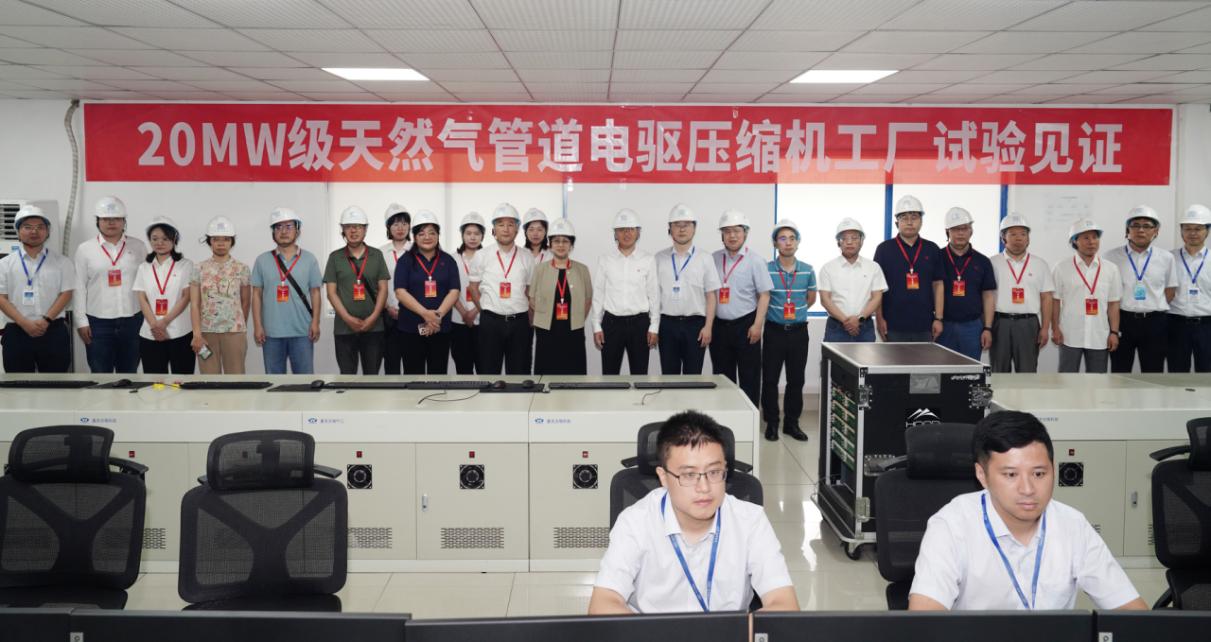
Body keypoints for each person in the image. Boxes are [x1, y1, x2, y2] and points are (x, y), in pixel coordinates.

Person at [908, 410, 1147, 611]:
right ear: (982, 475)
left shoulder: (1072, 525)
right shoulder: (951, 526)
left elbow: (1132, 613)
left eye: (1039, 474)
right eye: (1011, 475)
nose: (1028, 489)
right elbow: (924, 623)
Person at [588, 410, 799, 614]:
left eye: (714, 472)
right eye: (689, 475)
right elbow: (603, 604)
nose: (704, 487)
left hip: (729, 632)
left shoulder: (750, 520)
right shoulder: (635, 522)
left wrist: (736, 631)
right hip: (651, 632)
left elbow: (784, 604)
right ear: (663, 477)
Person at [73, 196, 146, 373]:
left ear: (124, 221)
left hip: (132, 320)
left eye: (116, 218)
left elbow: (146, 283)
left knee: (129, 374)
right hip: (98, 323)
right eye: (106, 219)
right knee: (100, 375)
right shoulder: (85, 249)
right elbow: (79, 287)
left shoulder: (138, 246)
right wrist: (81, 321)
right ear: (98, 221)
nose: (111, 223)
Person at [0, 205, 75, 373]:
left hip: (53, 331)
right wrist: (24, 322)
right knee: (18, 384)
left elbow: (66, 293)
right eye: (27, 227)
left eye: (40, 227)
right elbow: (1, 298)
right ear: (18, 232)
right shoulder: (4, 264)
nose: (34, 231)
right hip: (17, 332)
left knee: (55, 383)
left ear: (47, 232)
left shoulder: (63, 262)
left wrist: (46, 320)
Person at [710, 209, 773, 408]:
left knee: (750, 377)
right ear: (722, 235)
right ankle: (725, 417)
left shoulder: (756, 261)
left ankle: (750, 417)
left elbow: (765, 295)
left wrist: (757, 325)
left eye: (737, 231)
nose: (732, 236)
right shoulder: (713, 259)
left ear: (745, 233)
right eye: (727, 231)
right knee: (722, 378)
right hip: (719, 328)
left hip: (746, 326)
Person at [1105, 205, 1178, 373]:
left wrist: (1151, 305)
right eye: (1135, 225)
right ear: (1127, 230)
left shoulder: (1166, 258)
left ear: (1156, 231)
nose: (1141, 230)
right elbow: (1107, 294)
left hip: (1155, 323)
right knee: (1120, 372)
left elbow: (1170, 291)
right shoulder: (1111, 257)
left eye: (1147, 226)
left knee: (1153, 373)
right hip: (1123, 321)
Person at [761, 219, 816, 442]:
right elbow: (762, 298)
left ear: (798, 242)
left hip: (798, 333)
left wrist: (794, 314)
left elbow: (810, 298)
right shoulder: (766, 269)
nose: (788, 242)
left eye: (792, 238)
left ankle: (792, 424)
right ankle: (772, 423)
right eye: (782, 238)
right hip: (774, 331)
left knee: (796, 380)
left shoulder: (808, 270)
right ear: (775, 243)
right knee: (770, 379)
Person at [250, 207, 323, 374]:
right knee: (274, 382)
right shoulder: (262, 260)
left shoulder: (309, 259)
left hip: (302, 332)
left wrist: (315, 322)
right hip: (271, 333)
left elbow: (315, 293)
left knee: (305, 381)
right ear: (273, 232)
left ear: (297, 230)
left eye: (289, 226)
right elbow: (256, 294)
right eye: (278, 227)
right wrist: (258, 326)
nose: (283, 231)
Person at [591, 209, 660, 376]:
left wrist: (654, 326)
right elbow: (598, 294)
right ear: (615, 233)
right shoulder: (605, 259)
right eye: (621, 229)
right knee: (609, 376)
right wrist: (596, 325)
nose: (626, 233)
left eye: (631, 229)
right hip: (612, 324)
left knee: (640, 375)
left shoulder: (648, 259)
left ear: (638, 232)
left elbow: (654, 295)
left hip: (640, 324)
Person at [469, 203, 535, 375]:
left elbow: (529, 290)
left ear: (517, 229)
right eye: (501, 224)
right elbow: (473, 288)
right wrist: (484, 310)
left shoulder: (527, 257)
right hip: (490, 322)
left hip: (519, 322)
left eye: (510, 224)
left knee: (520, 373)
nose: (506, 229)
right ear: (493, 230)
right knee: (488, 372)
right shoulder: (481, 255)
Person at [324, 206, 389, 375]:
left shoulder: (376, 255)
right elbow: (331, 293)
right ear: (343, 230)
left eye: (358, 226)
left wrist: (373, 318)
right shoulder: (335, 257)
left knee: (372, 376)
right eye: (348, 226)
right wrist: (348, 318)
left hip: (374, 328)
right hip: (344, 328)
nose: (353, 231)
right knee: (347, 377)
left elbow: (383, 289)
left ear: (365, 229)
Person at [1051, 218, 1122, 373]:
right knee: (1066, 380)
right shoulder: (1061, 267)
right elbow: (1055, 301)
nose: (1092, 242)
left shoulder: (1111, 269)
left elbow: (1113, 304)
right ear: (1074, 241)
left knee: (1097, 382)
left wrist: (1114, 332)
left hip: (1099, 335)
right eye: (1086, 238)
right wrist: (1055, 328)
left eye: (1095, 237)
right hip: (1069, 335)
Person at [655, 204, 719, 375]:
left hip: (695, 326)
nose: (682, 229)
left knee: (693, 376)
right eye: (677, 225)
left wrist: (708, 327)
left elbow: (711, 296)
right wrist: (654, 327)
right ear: (669, 229)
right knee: (669, 376)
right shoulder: (659, 258)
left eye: (687, 225)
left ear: (694, 228)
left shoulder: (705, 258)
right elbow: (653, 296)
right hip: (667, 325)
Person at [393, 210, 459, 374]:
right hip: (410, 328)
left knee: (438, 375)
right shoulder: (405, 261)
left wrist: (437, 316)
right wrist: (426, 314)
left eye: (432, 233)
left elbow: (454, 291)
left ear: (438, 235)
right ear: (415, 237)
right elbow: (400, 292)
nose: (427, 237)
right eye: (421, 233)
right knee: (413, 375)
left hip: (440, 327)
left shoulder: (448, 260)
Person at [989, 213, 1053, 373]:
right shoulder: (992, 263)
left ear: (1028, 239)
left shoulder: (1040, 264)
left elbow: (1046, 298)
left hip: (1028, 324)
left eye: (1023, 234)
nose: (1018, 238)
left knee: (1027, 372)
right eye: (1013, 234)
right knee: (998, 371)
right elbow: (987, 297)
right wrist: (987, 327)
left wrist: (1045, 328)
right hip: (1000, 324)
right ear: (1003, 238)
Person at [874, 195, 943, 342]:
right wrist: (879, 318)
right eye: (904, 218)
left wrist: (938, 318)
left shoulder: (932, 249)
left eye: (914, 217)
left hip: (925, 324)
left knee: (925, 358)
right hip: (892, 325)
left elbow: (938, 285)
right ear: (896, 223)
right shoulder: (884, 249)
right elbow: (877, 288)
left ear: (921, 222)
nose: (910, 222)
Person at [132, 217, 194, 374]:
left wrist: (164, 322)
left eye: (165, 239)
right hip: (150, 333)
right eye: (155, 239)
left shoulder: (185, 265)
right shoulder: (144, 267)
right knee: (156, 383)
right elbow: (142, 298)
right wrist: (155, 325)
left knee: (182, 382)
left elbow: (186, 296)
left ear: (174, 240)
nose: (159, 243)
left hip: (180, 332)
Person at [189, 216, 250, 374]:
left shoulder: (242, 268)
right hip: (206, 333)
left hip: (234, 332)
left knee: (236, 378)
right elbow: (194, 304)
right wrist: (197, 334)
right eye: (216, 239)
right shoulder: (198, 268)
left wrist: (239, 327)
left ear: (232, 241)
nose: (221, 243)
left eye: (226, 239)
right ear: (209, 241)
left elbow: (246, 301)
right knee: (209, 380)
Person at [530, 217, 592, 375]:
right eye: (556, 241)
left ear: (571, 245)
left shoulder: (582, 270)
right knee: (546, 375)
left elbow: (588, 299)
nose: (561, 245)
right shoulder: (540, 269)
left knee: (574, 374)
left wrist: (578, 317)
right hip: (546, 331)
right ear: (550, 244)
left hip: (573, 332)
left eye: (565, 241)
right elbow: (532, 298)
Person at [935, 207, 996, 361]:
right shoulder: (937, 258)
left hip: (972, 327)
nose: (960, 233)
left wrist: (987, 328)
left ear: (971, 231)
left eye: (965, 228)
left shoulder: (983, 261)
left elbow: (988, 296)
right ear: (947, 232)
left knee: (970, 370)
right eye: (956, 229)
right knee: (942, 369)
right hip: (943, 326)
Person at [818, 218, 886, 343]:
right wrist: (846, 321)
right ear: (838, 243)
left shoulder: (873, 267)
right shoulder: (828, 268)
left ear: (862, 241)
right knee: (834, 357)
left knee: (866, 357)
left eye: (854, 238)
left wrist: (859, 319)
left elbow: (877, 297)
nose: (849, 242)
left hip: (865, 327)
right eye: (844, 238)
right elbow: (825, 299)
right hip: (836, 328)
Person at [1168, 204, 1211, 372]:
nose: (1192, 233)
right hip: (1176, 324)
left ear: (1207, 231)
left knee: (1207, 374)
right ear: (1181, 231)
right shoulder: (1169, 258)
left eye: (1198, 229)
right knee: (1177, 374)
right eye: (1187, 228)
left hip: (1207, 326)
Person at [450, 212, 484, 374]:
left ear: (482, 236)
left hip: (483, 320)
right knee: (463, 368)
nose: (472, 237)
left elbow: (491, 289)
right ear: (462, 235)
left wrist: (475, 310)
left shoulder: (489, 257)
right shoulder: (452, 259)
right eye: (468, 233)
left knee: (485, 367)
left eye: (477, 233)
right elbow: (449, 289)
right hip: (458, 319)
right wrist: (464, 313)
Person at [380, 203, 412, 375]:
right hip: (389, 315)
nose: (400, 228)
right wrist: (387, 307)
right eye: (395, 224)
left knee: (412, 362)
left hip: (413, 315)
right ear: (388, 227)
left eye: (404, 223)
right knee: (391, 363)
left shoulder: (417, 250)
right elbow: (377, 285)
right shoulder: (380, 253)